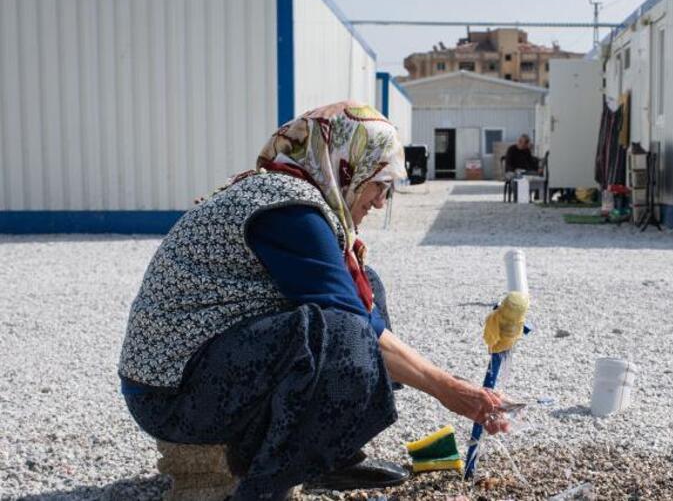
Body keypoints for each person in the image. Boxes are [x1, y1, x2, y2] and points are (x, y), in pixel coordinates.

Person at [118, 102, 511, 501]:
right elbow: (356, 328)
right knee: (342, 332)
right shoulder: (288, 208)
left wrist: (447, 388)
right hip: (171, 399)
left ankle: (332, 454)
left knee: (363, 287)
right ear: (345, 166)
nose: (379, 201)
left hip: (193, 378)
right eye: (377, 183)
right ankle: (264, 487)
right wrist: (451, 391)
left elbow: (361, 312)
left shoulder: (287, 191)